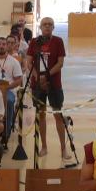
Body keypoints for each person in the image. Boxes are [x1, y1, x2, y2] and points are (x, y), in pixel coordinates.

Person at [27, 16, 71, 164]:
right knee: (41, 115)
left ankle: (63, 148)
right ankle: (44, 146)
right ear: (40, 27)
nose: (47, 26)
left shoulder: (58, 41)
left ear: (53, 27)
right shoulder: (34, 42)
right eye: (44, 24)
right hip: (37, 85)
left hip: (54, 84)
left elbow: (60, 63)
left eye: (50, 24)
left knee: (58, 115)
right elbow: (29, 62)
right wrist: (36, 77)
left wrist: (46, 75)